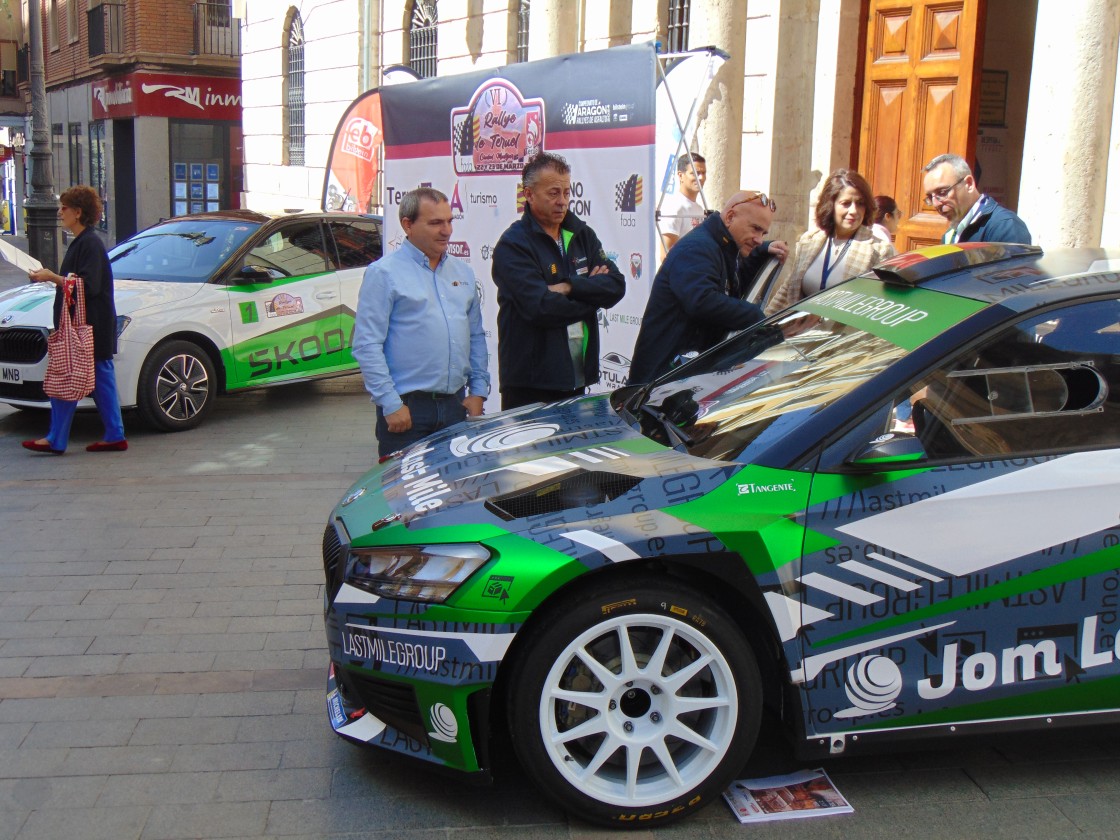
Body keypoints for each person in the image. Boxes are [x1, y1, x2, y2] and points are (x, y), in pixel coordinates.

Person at [351, 187, 489, 458]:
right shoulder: (383, 274)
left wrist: (479, 391)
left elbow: (475, 336)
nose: (447, 230)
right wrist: (390, 404)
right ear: (407, 225)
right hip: (407, 412)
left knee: (455, 496)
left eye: (449, 221)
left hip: (455, 408)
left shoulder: (463, 272)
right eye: (436, 222)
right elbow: (367, 345)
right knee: (403, 498)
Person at [491, 152, 626, 409]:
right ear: (528, 195)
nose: (562, 202)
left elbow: (616, 286)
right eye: (553, 193)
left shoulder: (581, 233)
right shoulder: (513, 245)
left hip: (576, 378)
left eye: (567, 192)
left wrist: (570, 287)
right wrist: (593, 297)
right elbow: (541, 308)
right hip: (531, 385)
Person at [628, 190, 788, 384]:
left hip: (678, 379)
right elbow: (702, 300)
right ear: (730, 217)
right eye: (755, 228)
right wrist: (757, 318)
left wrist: (761, 252)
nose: (759, 238)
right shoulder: (698, 248)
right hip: (659, 383)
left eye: (763, 233)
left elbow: (735, 285)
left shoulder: (723, 247)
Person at [23, 186, 127, 455]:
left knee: (72, 375)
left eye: (64, 208)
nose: (60, 212)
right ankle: (106, 435)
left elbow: (88, 286)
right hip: (89, 327)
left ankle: (60, 438)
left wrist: (52, 277)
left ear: (78, 213)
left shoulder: (89, 243)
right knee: (91, 378)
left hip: (89, 327)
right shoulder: (83, 242)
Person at [765, 169, 895, 316]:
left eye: (860, 204)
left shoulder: (880, 250)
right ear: (830, 205)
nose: (854, 211)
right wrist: (760, 325)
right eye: (846, 203)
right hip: (800, 335)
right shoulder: (809, 240)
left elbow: (885, 305)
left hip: (845, 337)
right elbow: (790, 288)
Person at [921, 153, 1031, 244]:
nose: (936, 204)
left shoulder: (1005, 227)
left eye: (942, 192)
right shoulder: (951, 233)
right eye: (930, 197)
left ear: (969, 184)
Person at [659, 152, 707, 255]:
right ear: (681, 176)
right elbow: (666, 255)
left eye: (703, 173)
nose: (701, 178)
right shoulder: (674, 207)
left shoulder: (699, 208)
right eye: (695, 173)